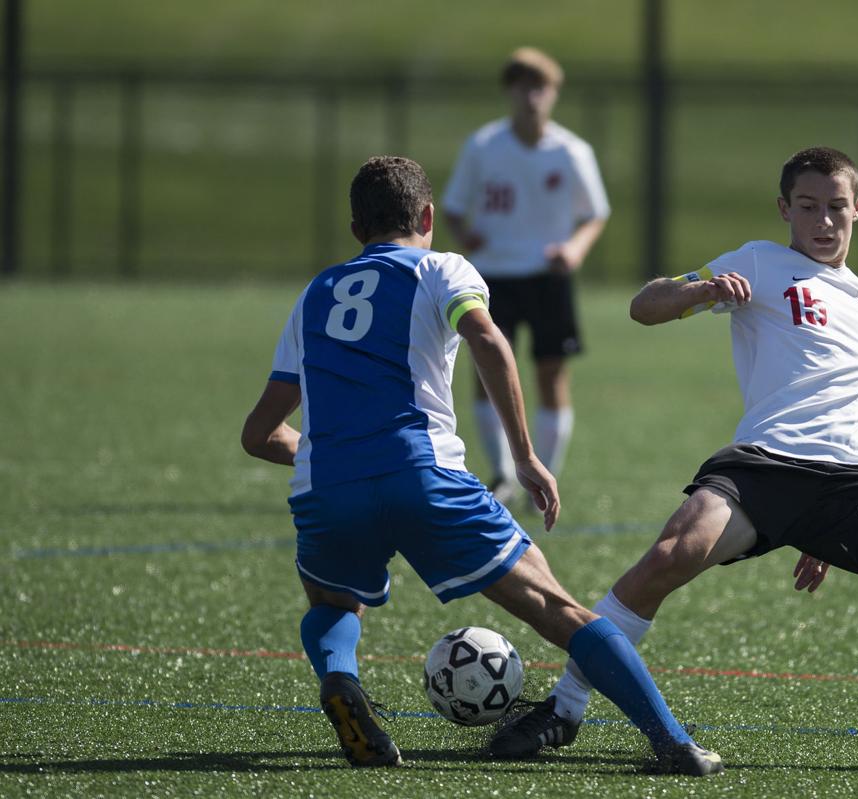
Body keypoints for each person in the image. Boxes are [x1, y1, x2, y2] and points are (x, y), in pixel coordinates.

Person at [489, 147, 858, 779]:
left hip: (854, 480)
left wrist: (819, 530)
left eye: (836, 207)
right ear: (784, 210)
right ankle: (565, 707)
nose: (823, 222)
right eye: (808, 207)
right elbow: (644, 304)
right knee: (668, 557)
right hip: (762, 465)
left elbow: (854, 407)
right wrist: (703, 289)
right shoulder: (760, 263)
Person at [240, 156, 720, 776]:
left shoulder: (315, 294)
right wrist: (524, 456)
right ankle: (673, 742)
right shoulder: (443, 268)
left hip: (327, 485)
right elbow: (489, 340)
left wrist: (325, 454)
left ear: (356, 227)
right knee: (557, 609)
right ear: (429, 218)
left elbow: (259, 434)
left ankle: (339, 678)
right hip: (422, 473)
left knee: (333, 603)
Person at [442, 47, 610, 501]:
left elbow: (595, 213)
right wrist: (468, 235)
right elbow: (454, 208)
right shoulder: (483, 146)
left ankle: (544, 475)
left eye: (540, 86)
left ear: (553, 93)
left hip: (547, 276)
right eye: (522, 86)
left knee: (550, 373)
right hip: (491, 277)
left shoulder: (572, 151)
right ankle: (501, 474)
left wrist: (573, 249)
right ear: (509, 92)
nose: (531, 96)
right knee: (487, 370)